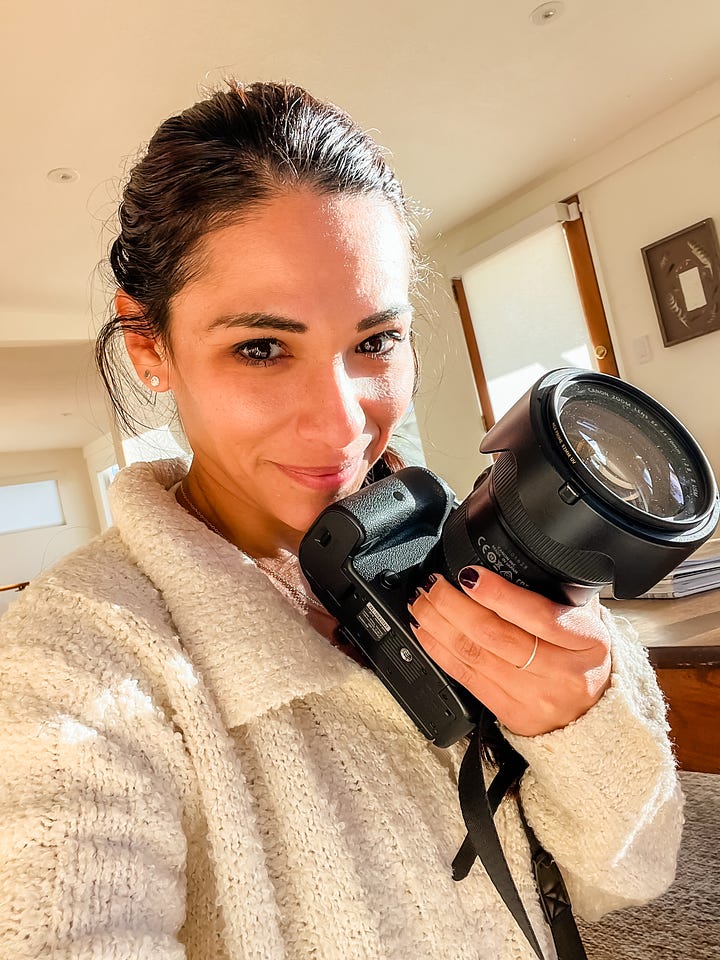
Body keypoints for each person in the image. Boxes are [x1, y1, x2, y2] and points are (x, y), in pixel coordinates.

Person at [0, 81, 682, 960]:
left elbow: (629, 879)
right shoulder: (72, 662)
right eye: (260, 348)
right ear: (149, 346)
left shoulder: (492, 556)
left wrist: (576, 724)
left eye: (375, 341)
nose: (343, 422)